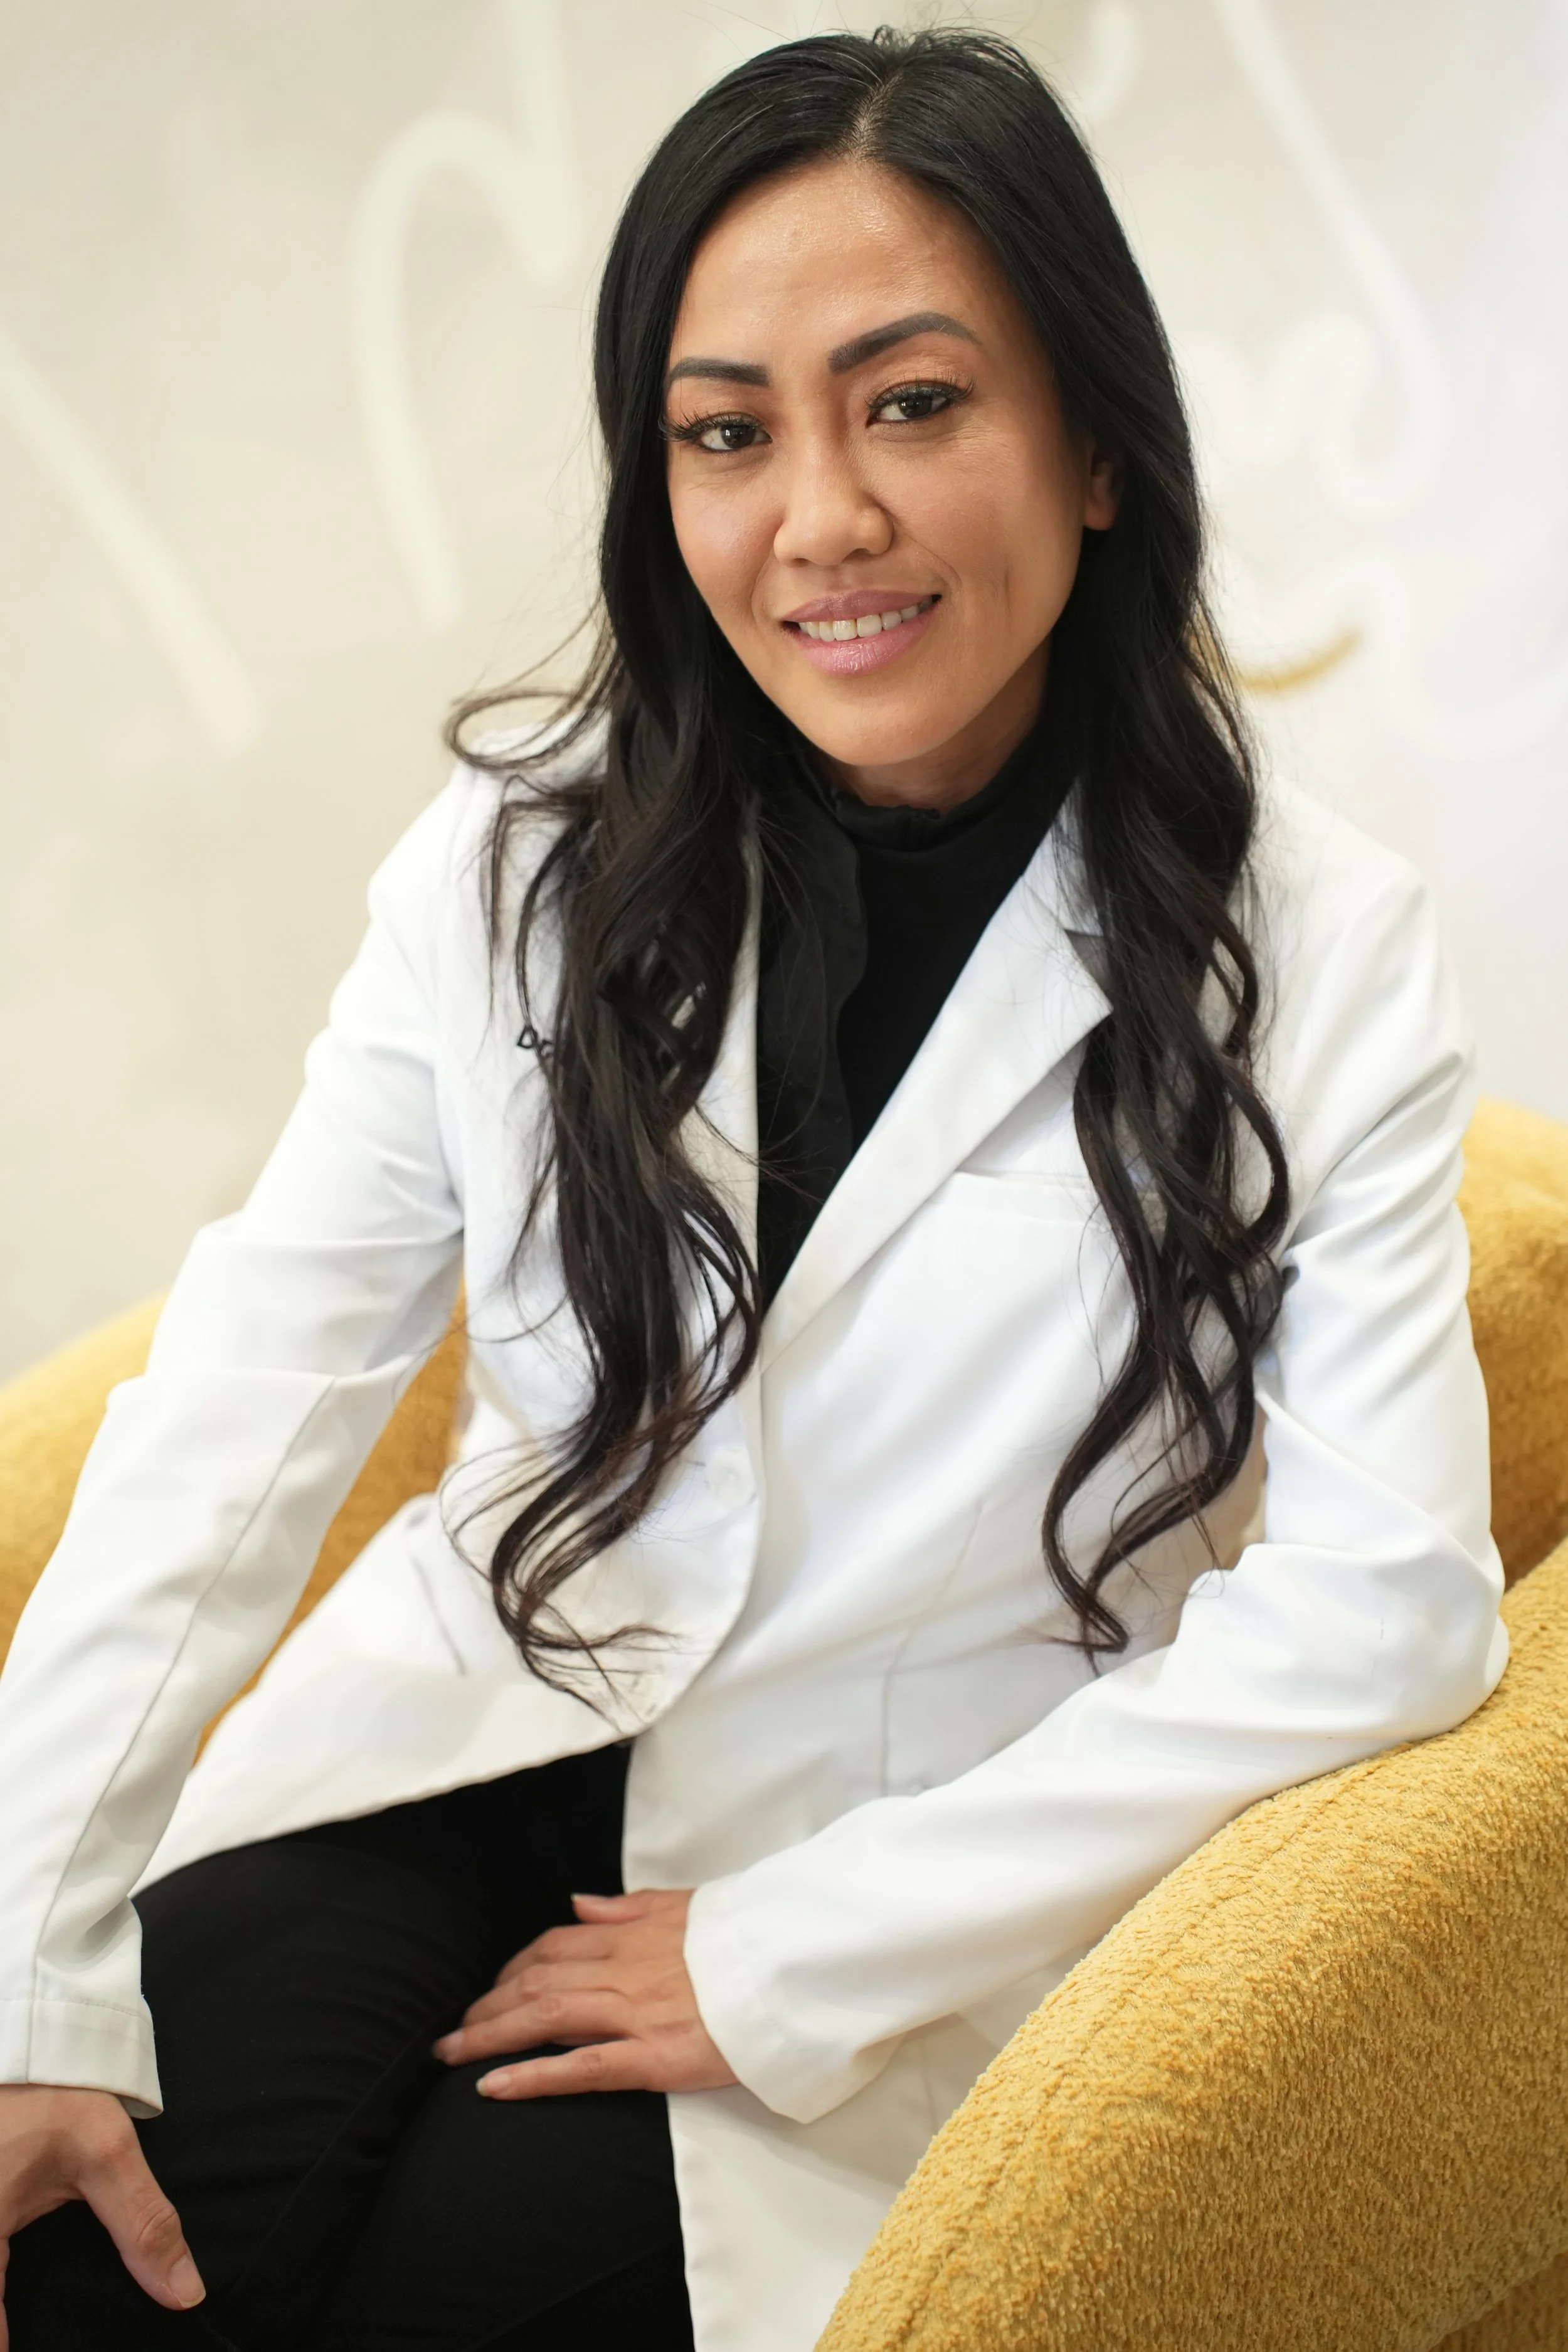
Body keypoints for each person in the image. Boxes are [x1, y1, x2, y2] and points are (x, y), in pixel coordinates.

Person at [0, 27, 1505, 2352]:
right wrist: (32, 1953)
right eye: (727, 433)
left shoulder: (1312, 948)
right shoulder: (515, 861)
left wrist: (792, 1946)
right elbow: (242, 1395)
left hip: (886, 1874)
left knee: (448, 2298)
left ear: (1098, 443)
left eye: (912, 403)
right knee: (87, 2244)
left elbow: (1385, 1609)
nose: (820, 517)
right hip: (473, 1731)